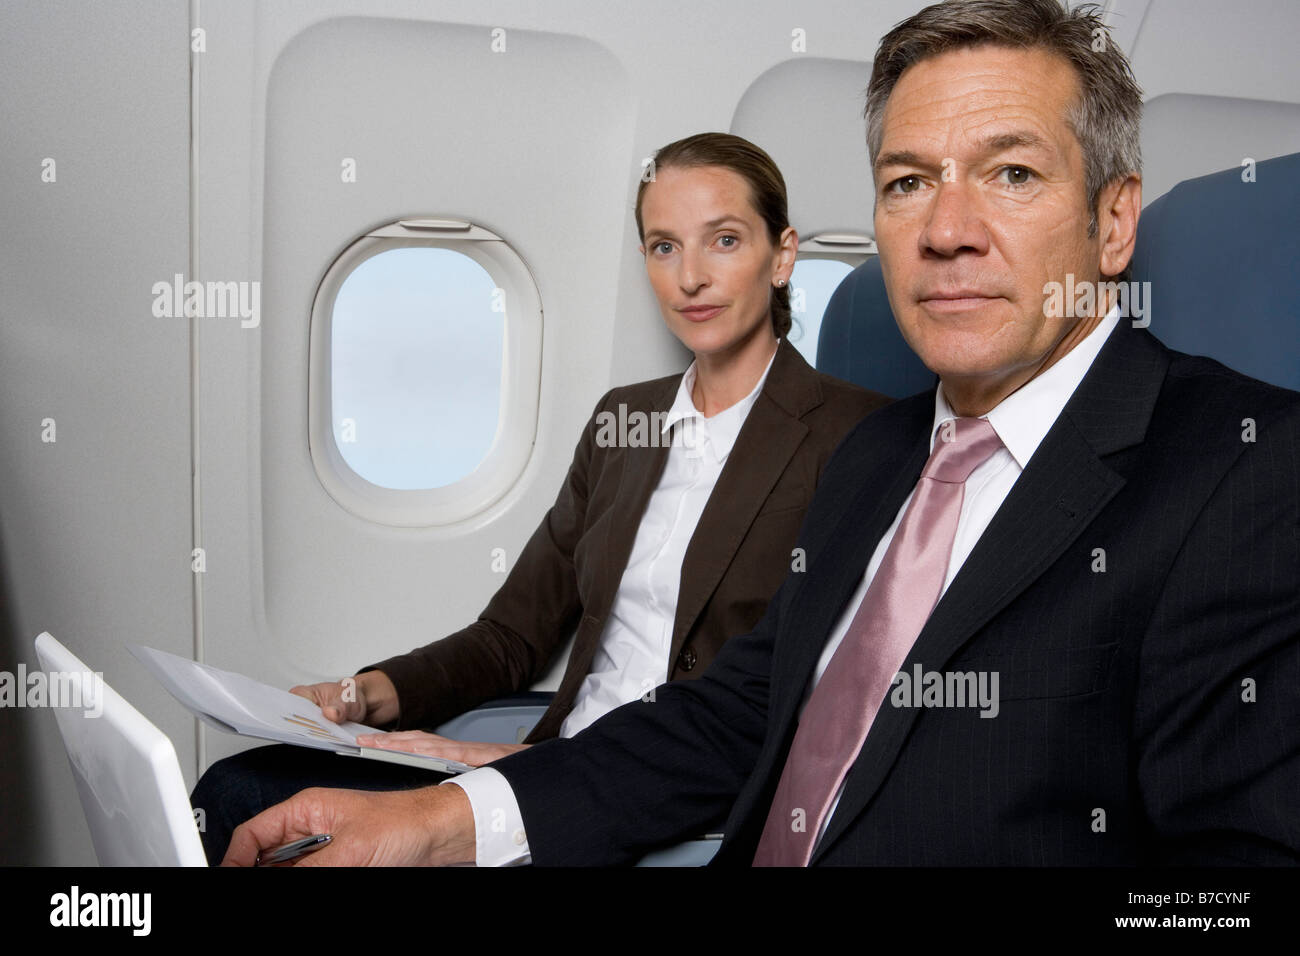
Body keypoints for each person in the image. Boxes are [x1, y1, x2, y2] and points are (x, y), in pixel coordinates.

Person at [224, 0, 1300, 867]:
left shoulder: (1245, 467)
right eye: (906, 183)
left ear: (1112, 222)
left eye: (1011, 173)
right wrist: (448, 822)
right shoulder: (880, 459)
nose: (946, 230)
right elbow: (736, 716)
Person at [192, 132, 889, 862]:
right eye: (662, 246)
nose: (689, 278)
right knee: (240, 789)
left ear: (782, 257)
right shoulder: (626, 421)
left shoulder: (859, 435)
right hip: (553, 760)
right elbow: (512, 637)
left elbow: (789, 696)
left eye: (723, 240)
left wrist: (525, 772)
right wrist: (362, 697)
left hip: (682, 792)